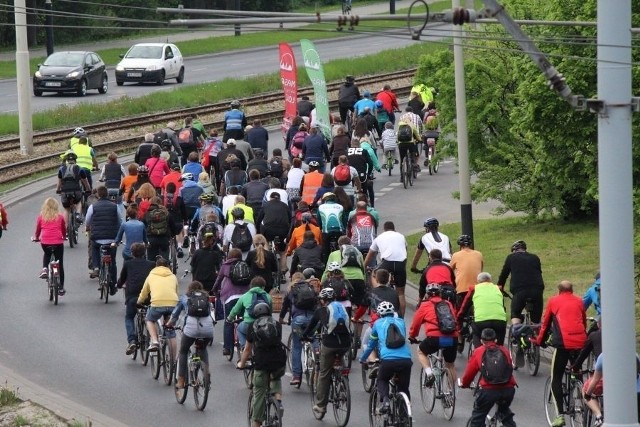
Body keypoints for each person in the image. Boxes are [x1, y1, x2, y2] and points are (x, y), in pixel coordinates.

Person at [532, 280, 587, 427]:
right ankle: (582, 394)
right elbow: (583, 321)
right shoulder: (579, 301)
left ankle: (560, 416)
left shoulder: (553, 301)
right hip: (581, 341)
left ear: (559, 290)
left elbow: (545, 324)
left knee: (556, 377)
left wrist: (539, 341)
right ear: (572, 289)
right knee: (577, 369)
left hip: (563, 344)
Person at [301, 288, 352, 417]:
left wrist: (304, 336)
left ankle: (321, 405)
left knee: (324, 372)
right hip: (346, 344)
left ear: (323, 300)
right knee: (340, 361)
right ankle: (342, 384)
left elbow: (311, 327)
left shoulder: (321, 310)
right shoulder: (342, 308)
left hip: (330, 344)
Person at [237, 302, 286, 427]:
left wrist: (241, 364)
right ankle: (278, 402)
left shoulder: (252, 326)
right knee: (276, 377)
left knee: (258, 392)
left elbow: (247, 349)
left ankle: (256, 423)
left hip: (262, 362)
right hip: (279, 360)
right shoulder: (276, 324)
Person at [359, 301, 412, 415]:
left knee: (382, 379)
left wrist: (363, 358)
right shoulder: (401, 322)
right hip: (406, 360)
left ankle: (386, 403)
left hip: (388, 360)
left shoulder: (377, 324)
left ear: (379, 314)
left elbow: (371, 345)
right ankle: (405, 414)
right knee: (404, 388)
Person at [459, 328, 517, 427]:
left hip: (488, 391)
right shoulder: (505, 350)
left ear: (481, 341)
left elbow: (469, 374)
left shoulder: (478, 351)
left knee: (478, 416)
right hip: (508, 390)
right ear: (495, 340)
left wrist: (464, 384)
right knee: (504, 410)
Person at [167, 280, 215, 391]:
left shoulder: (185, 298)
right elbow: (212, 313)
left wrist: (170, 324)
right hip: (207, 329)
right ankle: (207, 376)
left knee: (183, 351)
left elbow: (175, 314)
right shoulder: (206, 298)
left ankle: (181, 380)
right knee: (203, 349)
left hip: (191, 329)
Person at [408, 283, 459, 386]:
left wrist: (412, 336)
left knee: (421, 351)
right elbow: (454, 319)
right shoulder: (448, 304)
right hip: (452, 337)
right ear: (440, 293)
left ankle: (429, 373)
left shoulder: (424, 305)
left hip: (435, 338)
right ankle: (451, 394)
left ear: (427, 295)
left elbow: (416, 324)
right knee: (450, 365)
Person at [278, 272, 318, 385]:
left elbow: (285, 307)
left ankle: (296, 376)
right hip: (312, 319)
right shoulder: (311, 289)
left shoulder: (291, 290)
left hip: (298, 321)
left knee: (296, 347)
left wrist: (281, 320)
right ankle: (318, 364)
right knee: (315, 340)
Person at [116, 242, 155, 355]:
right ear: (144, 253)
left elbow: (122, 279)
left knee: (129, 317)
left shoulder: (128, 264)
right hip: (148, 296)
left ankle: (132, 340)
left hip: (133, 296)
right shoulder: (151, 264)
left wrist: (118, 285)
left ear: (132, 253)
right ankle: (151, 336)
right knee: (150, 317)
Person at [364, 221, 408, 317]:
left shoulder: (379, 237)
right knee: (401, 293)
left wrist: (364, 266)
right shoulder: (401, 236)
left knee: (373, 273)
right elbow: (405, 251)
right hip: (401, 264)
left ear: (384, 229)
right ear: (394, 229)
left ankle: (378, 290)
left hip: (387, 262)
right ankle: (401, 319)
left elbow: (370, 255)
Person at [497, 240, 545, 327]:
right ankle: (536, 332)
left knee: (515, 312)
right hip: (537, 290)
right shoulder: (535, 257)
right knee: (537, 320)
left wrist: (500, 286)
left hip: (520, 290)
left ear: (514, 250)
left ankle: (516, 331)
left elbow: (504, 274)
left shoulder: (511, 257)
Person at [136, 256, 179, 353]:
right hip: (173, 304)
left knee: (149, 319)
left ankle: (155, 341)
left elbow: (144, 292)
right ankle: (172, 363)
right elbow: (176, 292)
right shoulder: (173, 276)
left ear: (156, 266)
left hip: (157, 304)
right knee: (171, 332)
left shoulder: (151, 275)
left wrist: (139, 302)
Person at [211, 248, 249, 356]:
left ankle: (227, 348)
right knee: (244, 320)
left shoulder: (225, 266)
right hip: (245, 296)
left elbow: (218, 280)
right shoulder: (245, 265)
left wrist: (215, 291)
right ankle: (245, 344)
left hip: (230, 297)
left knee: (228, 322)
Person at [85, 186, 122, 294]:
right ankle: (114, 284)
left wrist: (88, 227)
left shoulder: (93, 207)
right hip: (111, 238)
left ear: (98, 195)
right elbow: (120, 221)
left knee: (95, 247)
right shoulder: (114, 206)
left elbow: (87, 220)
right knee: (113, 261)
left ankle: (96, 267)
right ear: (107, 195)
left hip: (97, 237)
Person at [457, 272, 508, 348]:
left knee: (477, 337)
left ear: (478, 281)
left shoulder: (474, 289)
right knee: (499, 346)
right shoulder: (497, 288)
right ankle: (500, 353)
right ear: (490, 280)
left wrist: (459, 317)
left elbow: (464, 306)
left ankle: (478, 354)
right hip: (500, 321)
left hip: (481, 321)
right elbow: (502, 306)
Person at [227, 276, 272, 349]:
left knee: (239, 329)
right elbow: (270, 312)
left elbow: (235, 310)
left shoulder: (245, 296)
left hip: (249, 324)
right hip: (264, 324)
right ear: (263, 287)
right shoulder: (268, 297)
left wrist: (229, 318)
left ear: (250, 286)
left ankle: (244, 347)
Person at [33, 198, 67, 295]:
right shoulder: (60, 217)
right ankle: (61, 287)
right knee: (60, 263)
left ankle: (44, 268)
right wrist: (64, 237)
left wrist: (36, 237)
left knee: (47, 254)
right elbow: (63, 229)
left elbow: (38, 229)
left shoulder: (41, 216)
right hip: (58, 242)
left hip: (45, 242)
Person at [257, 192, 290, 274]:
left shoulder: (265, 205)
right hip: (283, 231)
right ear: (279, 198)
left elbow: (259, 219)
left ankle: (266, 257)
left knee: (266, 243)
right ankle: (283, 270)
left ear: (270, 198)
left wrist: (258, 231)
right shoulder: (285, 206)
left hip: (268, 230)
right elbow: (290, 219)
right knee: (283, 252)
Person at [450, 234, 484, 308]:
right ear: (470, 244)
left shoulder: (456, 255)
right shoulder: (479, 254)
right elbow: (480, 270)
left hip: (462, 289)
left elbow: (450, 270)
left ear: (460, 246)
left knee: (460, 311)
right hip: (477, 288)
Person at [57, 151, 90, 225]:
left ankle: (65, 229)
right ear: (75, 160)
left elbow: (59, 182)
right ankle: (78, 215)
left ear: (67, 160)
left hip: (65, 191)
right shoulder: (80, 168)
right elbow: (85, 181)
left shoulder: (61, 169)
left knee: (66, 209)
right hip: (76, 190)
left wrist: (58, 190)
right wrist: (88, 189)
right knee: (78, 202)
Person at [143, 196, 177, 262]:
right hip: (164, 239)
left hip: (151, 239)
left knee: (151, 261)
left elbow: (143, 226)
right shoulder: (166, 213)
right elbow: (173, 227)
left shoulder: (147, 214)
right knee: (164, 260)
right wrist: (172, 234)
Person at [316, 192, 345, 262]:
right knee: (341, 248)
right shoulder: (340, 207)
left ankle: (326, 264)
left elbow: (319, 220)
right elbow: (343, 220)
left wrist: (320, 228)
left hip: (326, 231)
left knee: (325, 250)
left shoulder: (321, 207)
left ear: (324, 199)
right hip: (339, 231)